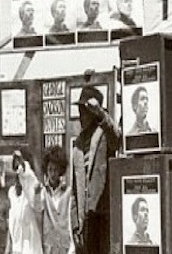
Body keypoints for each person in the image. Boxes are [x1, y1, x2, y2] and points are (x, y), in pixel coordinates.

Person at [70, 86, 121, 254]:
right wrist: (75, 223)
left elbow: (116, 139)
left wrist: (101, 114)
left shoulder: (104, 133)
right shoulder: (78, 143)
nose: (80, 116)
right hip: (86, 218)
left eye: (84, 111)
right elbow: (74, 187)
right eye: (79, 111)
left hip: (103, 213)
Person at [5, 149, 43, 254]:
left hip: (31, 249)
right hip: (16, 249)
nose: (18, 171)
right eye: (16, 167)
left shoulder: (35, 191)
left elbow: (36, 204)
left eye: (21, 167)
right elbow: (12, 225)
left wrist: (25, 169)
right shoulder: (12, 193)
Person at [41, 146, 73, 254]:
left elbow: (70, 220)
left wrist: (72, 246)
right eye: (50, 169)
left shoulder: (68, 192)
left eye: (55, 169)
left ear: (61, 170)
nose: (53, 174)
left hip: (65, 247)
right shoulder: (43, 193)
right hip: (48, 247)